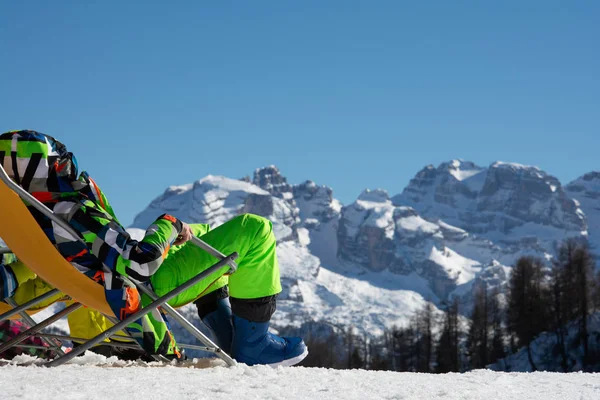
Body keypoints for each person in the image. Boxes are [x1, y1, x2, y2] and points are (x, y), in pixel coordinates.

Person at [0, 130, 308, 367]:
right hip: (140, 288)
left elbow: (60, 260)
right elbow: (140, 264)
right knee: (253, 230)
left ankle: (228, 330)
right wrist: (169, 224)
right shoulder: (71, 211)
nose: (69, 168)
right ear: (44, 167)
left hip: (99, 285)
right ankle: (252, 344)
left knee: (203, 233)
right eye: (61, 161)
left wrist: (14, 272)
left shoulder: (33, 215)